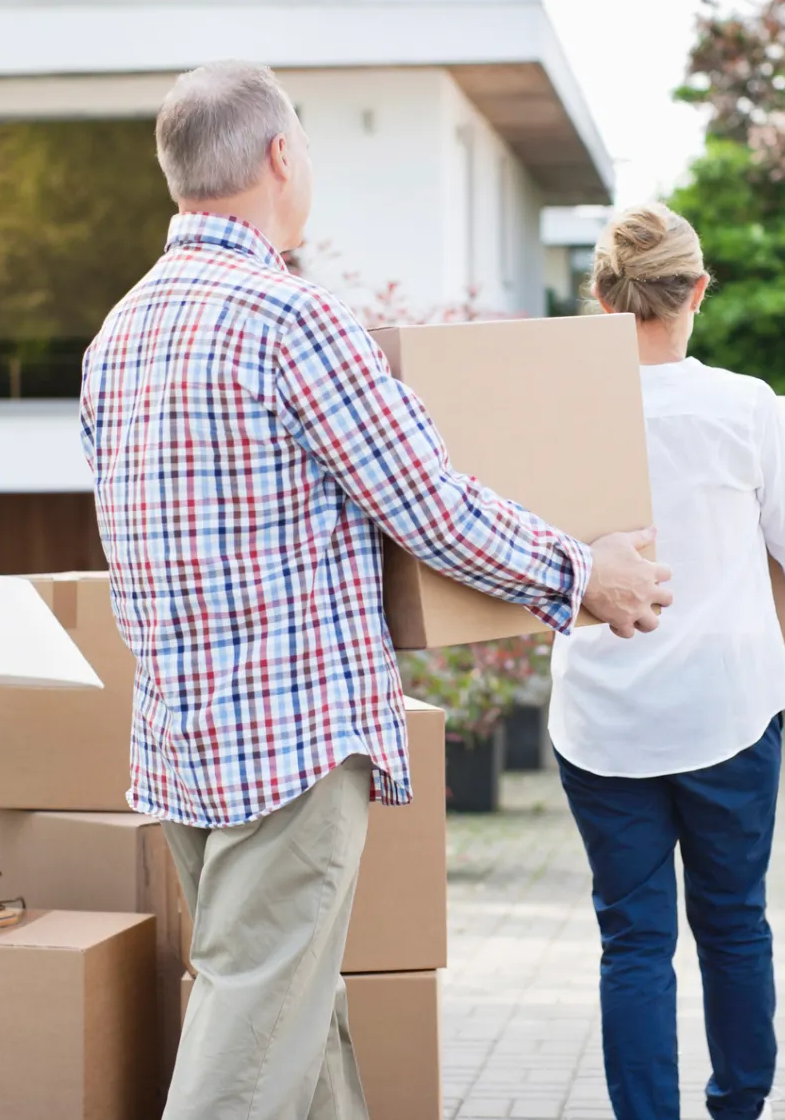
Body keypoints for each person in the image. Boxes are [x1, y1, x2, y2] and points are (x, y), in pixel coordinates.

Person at [79, 61, 674, 1119]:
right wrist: (588, 574)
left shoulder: (116, 335)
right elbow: (430, 505)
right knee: (253, 1030)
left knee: (289, 1014)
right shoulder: (290, 317)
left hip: (182, 738)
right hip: (290, 739)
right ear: (278, 156)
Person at [549, 203, 785, 1120]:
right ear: (697, 291)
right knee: (733, 922)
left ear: (599, 294)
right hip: (728, 707)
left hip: (602, 719)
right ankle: (738, 1106)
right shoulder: (742, 406)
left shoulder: (560, 411)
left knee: (633, 940)